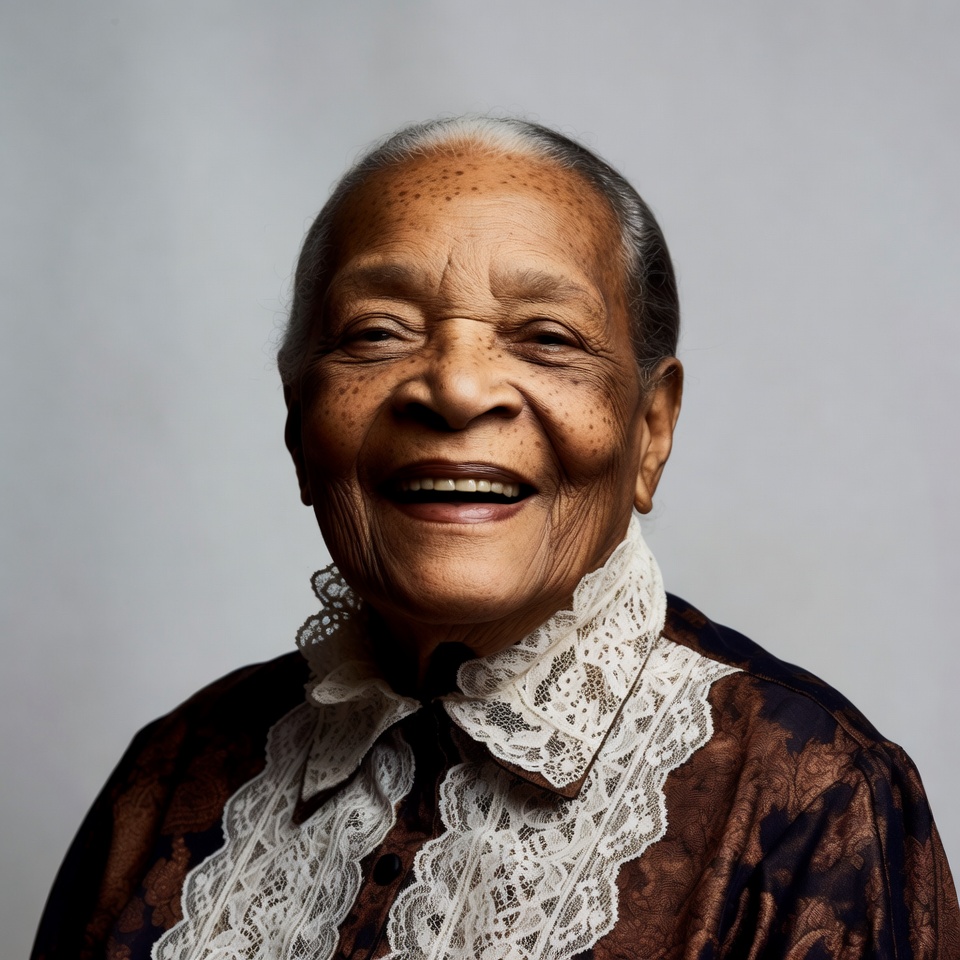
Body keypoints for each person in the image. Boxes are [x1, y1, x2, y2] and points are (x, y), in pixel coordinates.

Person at [32, 117, 960, 960]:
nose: (457, 390)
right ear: (297, 422)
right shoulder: (173, 771)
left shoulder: (810, 797)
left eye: (546, 337)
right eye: (378, 331)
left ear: (651, 429)